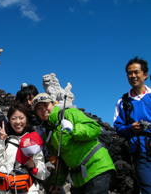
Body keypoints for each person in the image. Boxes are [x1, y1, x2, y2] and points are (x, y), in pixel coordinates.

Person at [33, 93, 115, 194]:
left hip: (96, 166)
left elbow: (94, 129)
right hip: (78, 176)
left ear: (53, 104)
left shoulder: (69, 114)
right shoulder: (48, 134)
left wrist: (74, 129)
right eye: (39, 108)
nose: (43, 110)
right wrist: (56, 183)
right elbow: (59, 162)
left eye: (45, 105)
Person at [0, 101, 46, 194]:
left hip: (27, 190)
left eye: (21, 118)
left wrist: (34, 165)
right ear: (9, 120)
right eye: (14, 118)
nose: (18, 122)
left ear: (26, 119)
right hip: (3, 190)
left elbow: (42, 174)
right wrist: (0, 140)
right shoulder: (4, 139)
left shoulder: (33, 141)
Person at [113, 56, 151, 194]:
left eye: (136, 72)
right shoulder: (123, 102)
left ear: (145, 75)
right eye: (129, 73)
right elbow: (118, 128)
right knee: (147, 188)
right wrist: (131, 129)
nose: (133, 76)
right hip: (140, 151)